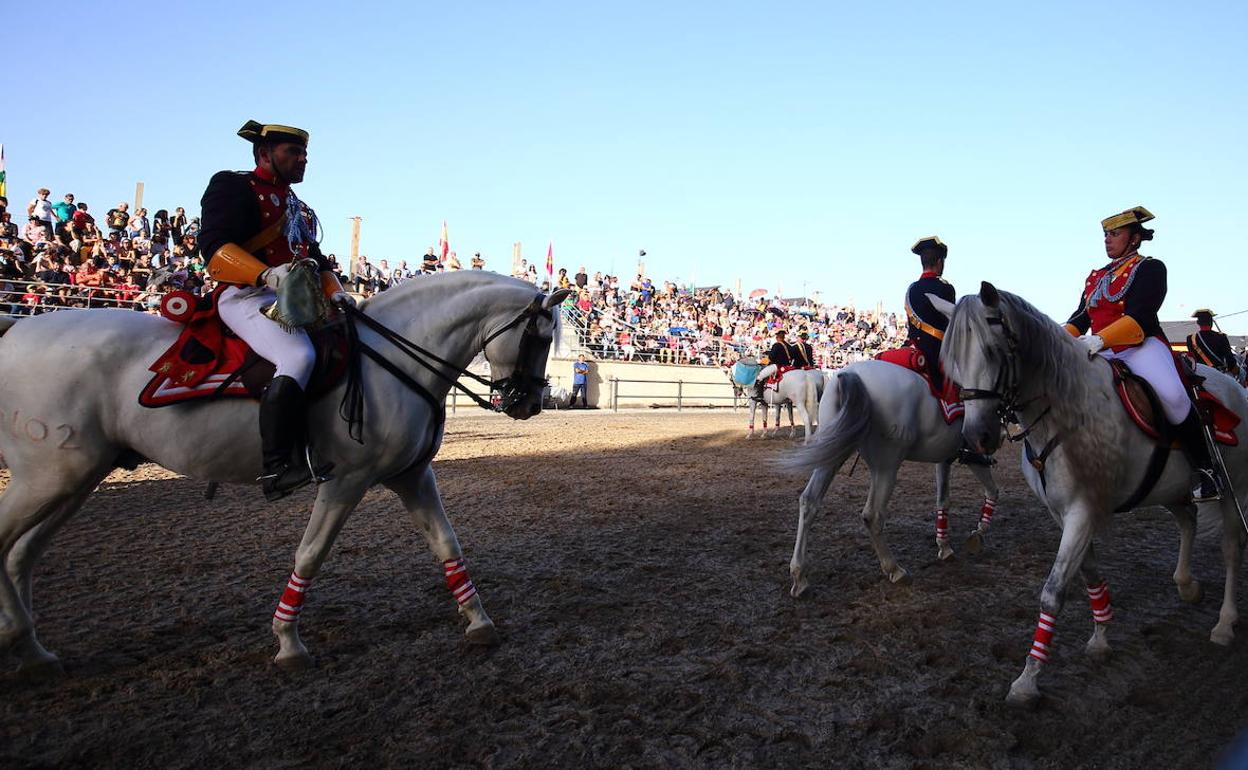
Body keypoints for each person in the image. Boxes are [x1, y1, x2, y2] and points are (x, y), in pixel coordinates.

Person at [199, 120, 354, 501]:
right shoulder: (232, 185)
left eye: (304, 154)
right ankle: (277, 466)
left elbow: (316, 261)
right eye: (294, 153)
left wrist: (336, 293)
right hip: (246, 295)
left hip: (298, 301)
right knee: (297, 356)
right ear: (265, 154)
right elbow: (214, 248)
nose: (303, 160)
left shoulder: (297, 206)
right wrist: (265, 274)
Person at [1066, 206, 1219, 501]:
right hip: (1102, 349)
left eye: (1115, 234)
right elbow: (1079, 319)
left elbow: (1142, 315)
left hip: (1141, 346)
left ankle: (1206, 469)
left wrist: (1098, 341)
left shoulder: (1150, 268)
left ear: (1134, 238)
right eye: (1105, 235)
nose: (1107, 240)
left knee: (1173, 396)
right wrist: (1058, 340)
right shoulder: (1096, 277)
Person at [905, 236, 956, 393]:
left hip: (912, 346)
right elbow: (951, 323)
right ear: (940, 262)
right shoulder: (945, 288)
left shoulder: (912, 288)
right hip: (937, 351)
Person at [1187, 309, 1239, 377]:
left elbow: (1192, 358)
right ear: (1211, 322)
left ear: (1198, 322)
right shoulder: (1221, 336)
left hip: (1200, 376)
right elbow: (1229, 359)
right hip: (1218, 374)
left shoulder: (1191, 338)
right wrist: (1235, 370)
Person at [754, 329, 793, 400]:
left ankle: (760, 395)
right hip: (788, 367)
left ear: (777, 337)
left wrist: (762, 360)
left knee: (760, 376)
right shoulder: (789, 346)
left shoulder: (776, 345)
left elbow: (771, 358)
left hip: (777, 366)